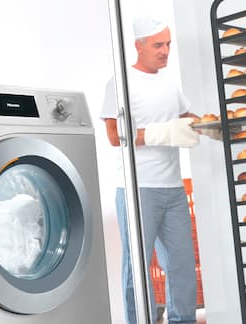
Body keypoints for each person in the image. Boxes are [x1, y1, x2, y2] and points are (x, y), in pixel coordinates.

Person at [101, 15, 214, 324]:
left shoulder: (168, 83)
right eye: (157, 45)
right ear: (139, 46)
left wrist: (208, 124)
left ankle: (183, 320)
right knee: (136, 266)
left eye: (167, 44)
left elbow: (184, 116)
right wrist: (157, 133)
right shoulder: (120, 83)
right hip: (138, 189)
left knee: (181, 265)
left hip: (173, 188)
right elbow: (114, 136)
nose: (165, 51)